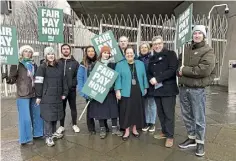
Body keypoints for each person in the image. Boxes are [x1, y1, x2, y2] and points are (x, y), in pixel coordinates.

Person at [178, 25, 216, 157]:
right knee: (187, 115)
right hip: (184, 88)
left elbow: (203, 70)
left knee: (199, 118)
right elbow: (179, 64)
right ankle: (192, 137)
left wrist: (184, 70)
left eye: (200, 33)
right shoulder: (186, 49)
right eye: (195, 33)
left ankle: (200, 143)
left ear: (204, 36)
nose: (197, 35)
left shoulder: (208, 51)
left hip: (197, 89)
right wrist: (179, 70)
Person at [5, 45, 44, 145]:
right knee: (25, 117)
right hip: (23, 94)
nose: (28, 53)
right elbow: (12, 79)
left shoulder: (34, 64)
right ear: (22, 53)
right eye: (25, 51)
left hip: (34, 93)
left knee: (37, 115)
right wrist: (7, 77)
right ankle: (26, 139)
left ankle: (38, 134)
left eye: (30, 51)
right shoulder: (17, 64)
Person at [148, 36, 179, 148]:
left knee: (168, 113)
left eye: (159, 43)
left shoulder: (171, 54)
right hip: (157, 90)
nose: (157, 45)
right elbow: (149, 72)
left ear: (163, 43)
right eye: (155, 44)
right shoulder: (152, 58)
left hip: (168, 89)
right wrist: (151, 78)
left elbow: (172, 70)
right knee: (160, 113)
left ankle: (170, 136)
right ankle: (164, 131)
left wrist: (158, 79)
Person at [35, 47, 68, 147]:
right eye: (49, 54)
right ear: (45, 56)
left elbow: (64, 80)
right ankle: (48, 137)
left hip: (57, 96)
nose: (51, 56)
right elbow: (38, 82)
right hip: (47, 97)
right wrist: (39, 96)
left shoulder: (59, 66)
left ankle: (53, 133)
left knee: (55, 116)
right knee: (48, 117)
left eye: (52, 54)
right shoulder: (42, 67)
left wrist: (64, 92)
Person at [115, 46, 149, 141]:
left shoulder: (140, 63)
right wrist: (117, 90)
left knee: (136, 111)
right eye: (127, 53)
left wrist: (145, 87)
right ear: (125, 55)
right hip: (125, 92)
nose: (129, 54)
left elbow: (144, 76)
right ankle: (126, 130)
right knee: (126, 111)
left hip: (138, 91)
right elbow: (117, 79)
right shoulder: (119, 65)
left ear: (134, 54)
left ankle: (134, 129)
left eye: (131, 53)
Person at [88, 46, 122, 139]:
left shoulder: (113, 65)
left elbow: (115, 78)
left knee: (113, 110)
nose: (106, 54)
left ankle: (115, 128)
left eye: (108, 53)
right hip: (100, 92)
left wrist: (114, 89)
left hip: (110, 92)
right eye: (104, 52)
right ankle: (102, 129)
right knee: (100, 111)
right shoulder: (95, 64)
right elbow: (91, 79)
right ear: (101, 54)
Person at [77, 46, 109, 134]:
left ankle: (104, 125)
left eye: (92, 51)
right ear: (86, 53)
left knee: (101, 108)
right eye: (89, 51)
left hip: (98, 89)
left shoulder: (99, 62)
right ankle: (91, 128)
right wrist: (83, 92)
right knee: (90, 109)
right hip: (89, 90)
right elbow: (80, 79)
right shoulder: (83, 64)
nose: (91, 53)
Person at [56, 44, 80, 134]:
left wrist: (72, 85)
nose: (66, 50)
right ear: (61, 50)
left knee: (73, 107)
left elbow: (77, 76)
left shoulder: (75, 63)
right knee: (62, 108)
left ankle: (74, 124)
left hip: (71, 90)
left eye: (67, 49)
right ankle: (61, 126)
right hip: (61, 91)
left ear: (70, 50)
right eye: (64, 49)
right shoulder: (58, 62)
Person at [138, 42, 157, 133]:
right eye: (142, 47)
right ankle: (146, 121)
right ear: (140, 49)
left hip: (151, 84)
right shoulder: (138, 59)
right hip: (141, 85)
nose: (144, 49)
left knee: (152, 104)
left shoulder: (152, 58)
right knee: (145, 104)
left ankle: (152, 122)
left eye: (146, 47)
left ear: (149, 49)